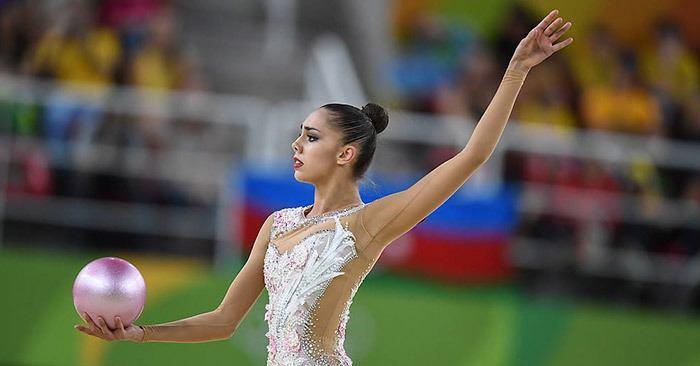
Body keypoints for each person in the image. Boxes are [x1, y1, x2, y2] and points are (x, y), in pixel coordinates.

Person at [75, 8, 573, 365]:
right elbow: (224, 320)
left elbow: (472, 157)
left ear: (345, 154)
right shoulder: (277, 224)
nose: (296, 144)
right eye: (299, 133)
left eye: (310, 137)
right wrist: (141, 335)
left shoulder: (365, 225)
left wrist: (514, 72)